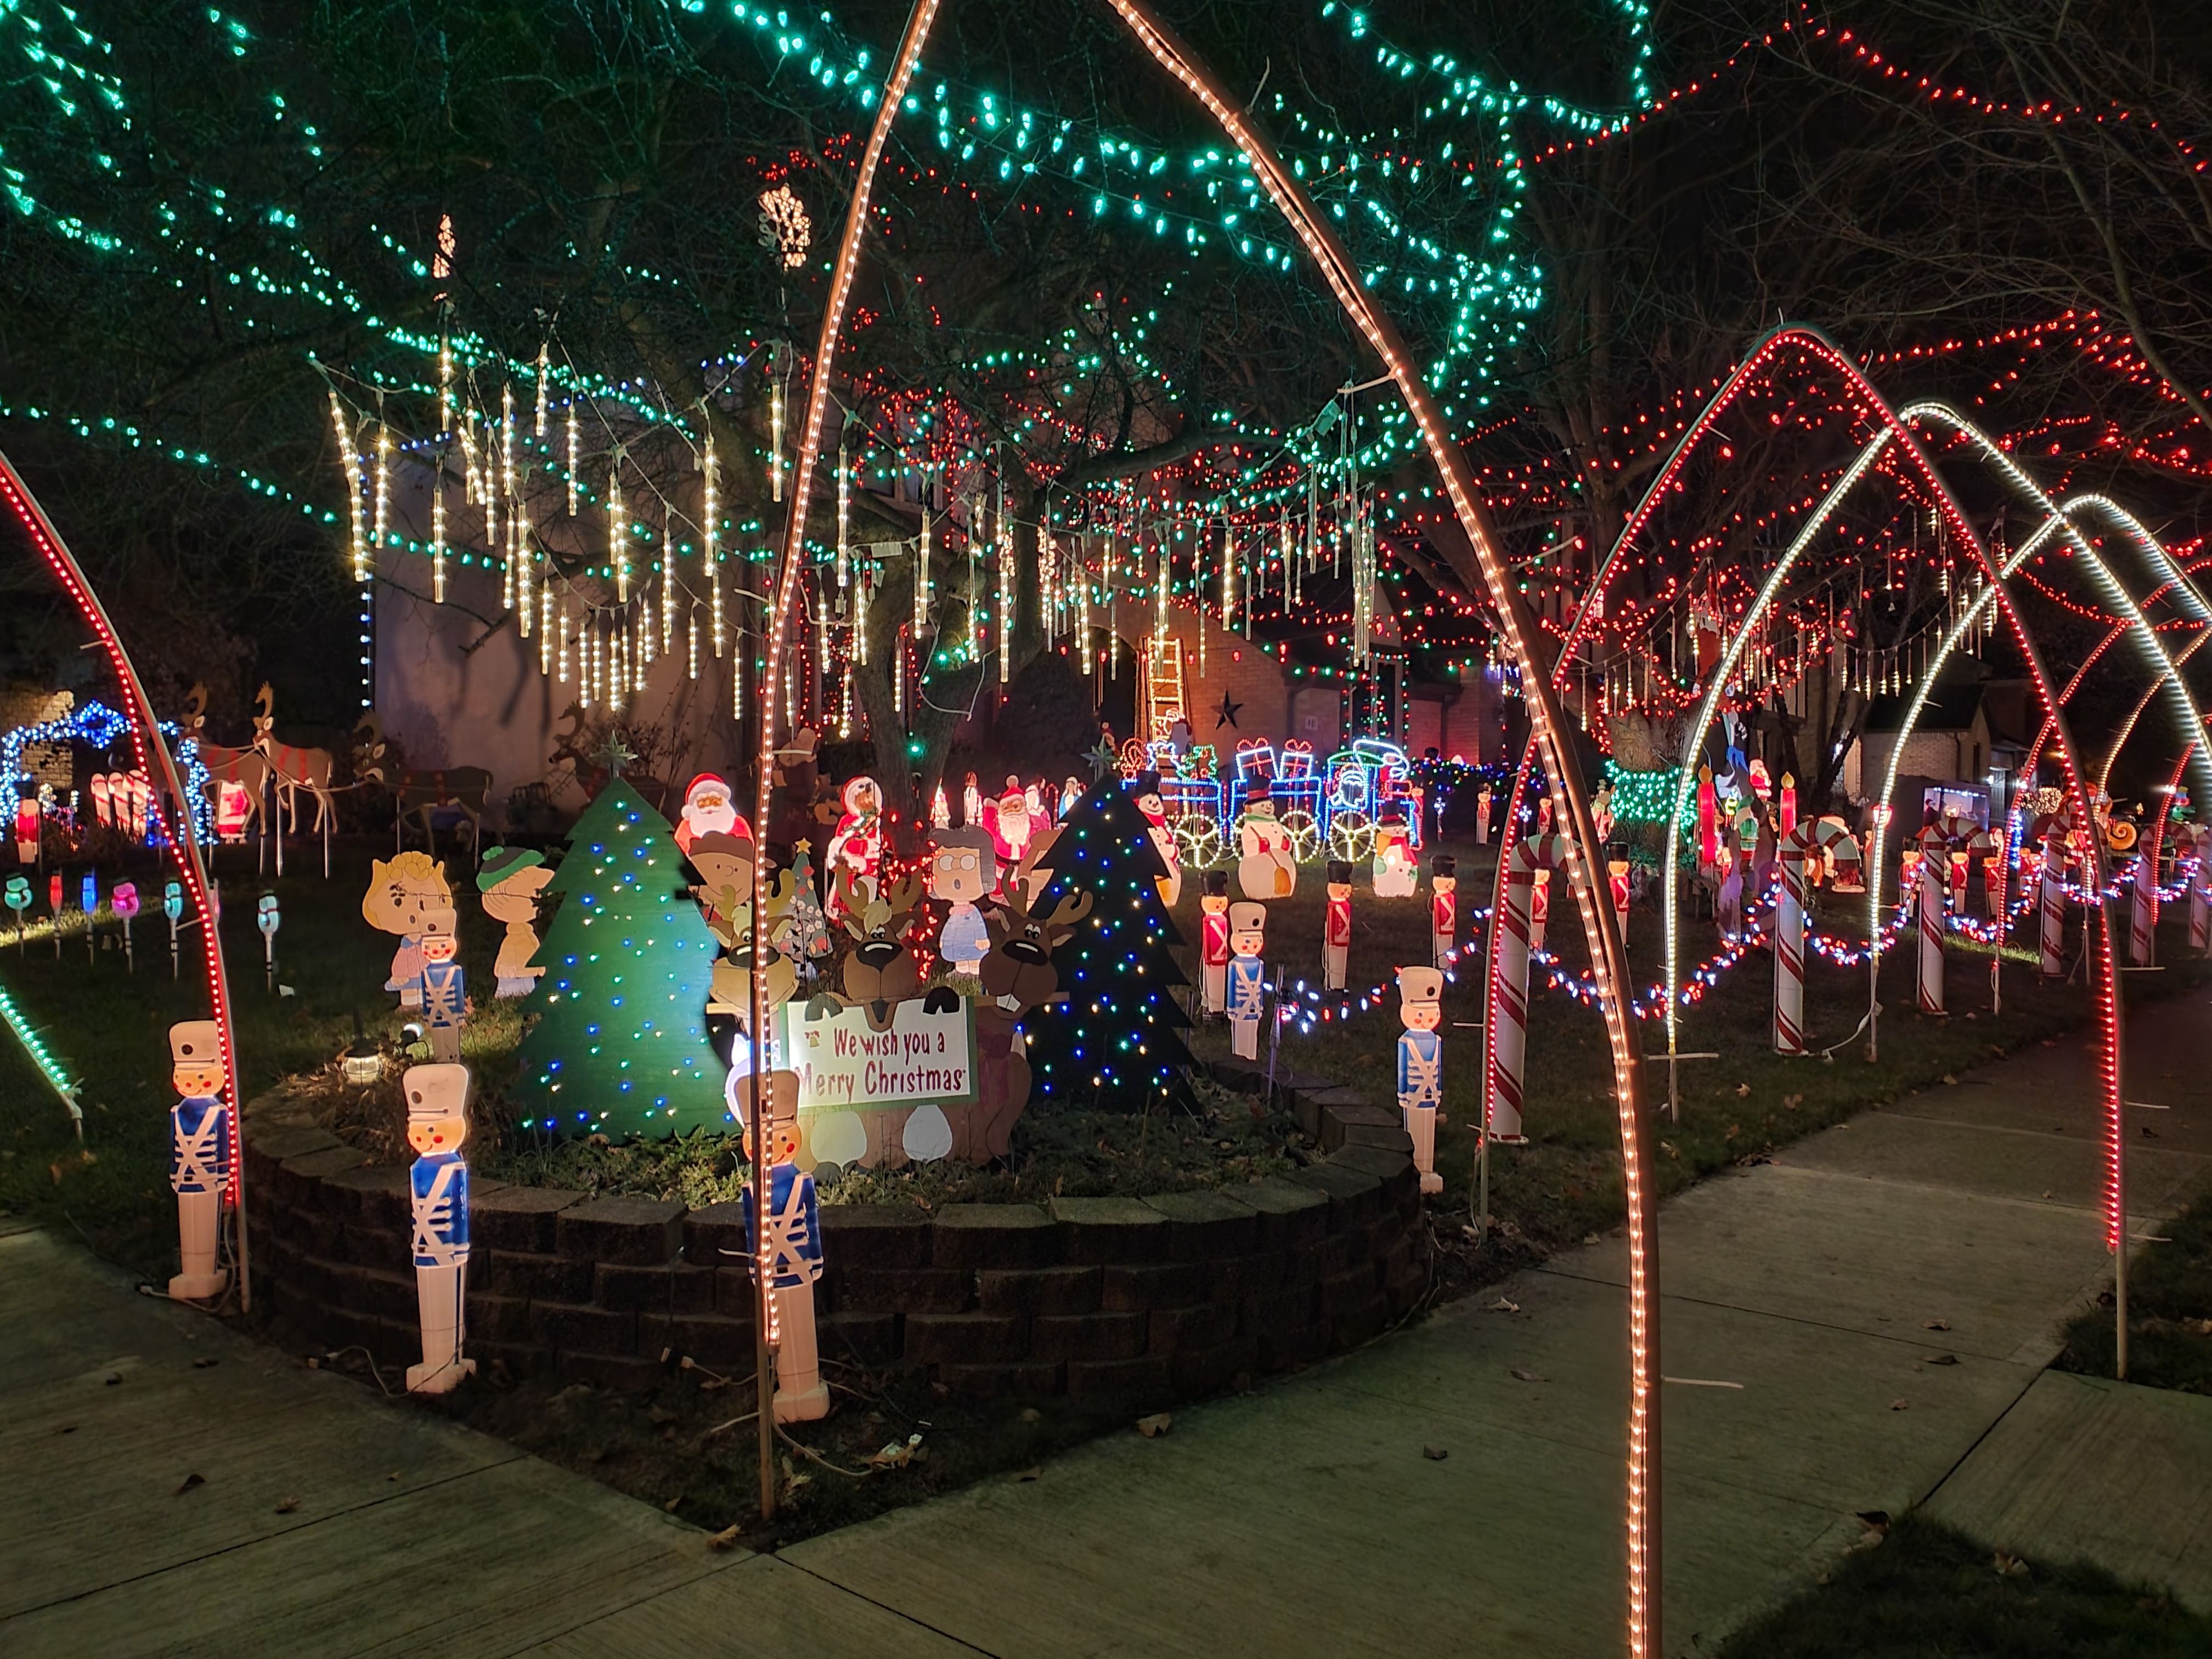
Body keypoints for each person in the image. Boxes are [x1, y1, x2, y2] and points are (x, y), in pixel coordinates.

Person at [404, 1063, 476, 1394]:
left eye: (433, 1130)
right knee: (429, 1303)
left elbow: (457, 1210)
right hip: (425, 1249)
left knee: (449, 1301)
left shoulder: (454, 1168)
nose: (426, 1138)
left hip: (448, 1248)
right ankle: (433, 1360)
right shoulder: (419, 1167)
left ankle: (450, 1360)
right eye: (420, 1131)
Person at [167, 1020, 230, 1301]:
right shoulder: (177, 1112)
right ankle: (191, 1272)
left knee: (204, 1228)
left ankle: (205, 1271)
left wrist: (224, 1177)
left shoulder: (218, 1114)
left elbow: (224, 1148)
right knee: (189, 1229)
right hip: (184, 1180)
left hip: (208, 1179)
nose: (192, 1083)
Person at [1396, 966, 1445, 1196]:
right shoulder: (1406, 1043)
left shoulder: (1436, 1041)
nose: (1425, 1020)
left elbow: (1438, 1066)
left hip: (1430, 1096)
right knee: (1414, 1131)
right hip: (1414, 1094)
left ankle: (1428, 1167)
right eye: (1419, 1015)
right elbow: (1404, 1071)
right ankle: (1415, 1166)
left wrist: (1438, 1091)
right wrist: (1403, 1094)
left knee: (1428, 1130)